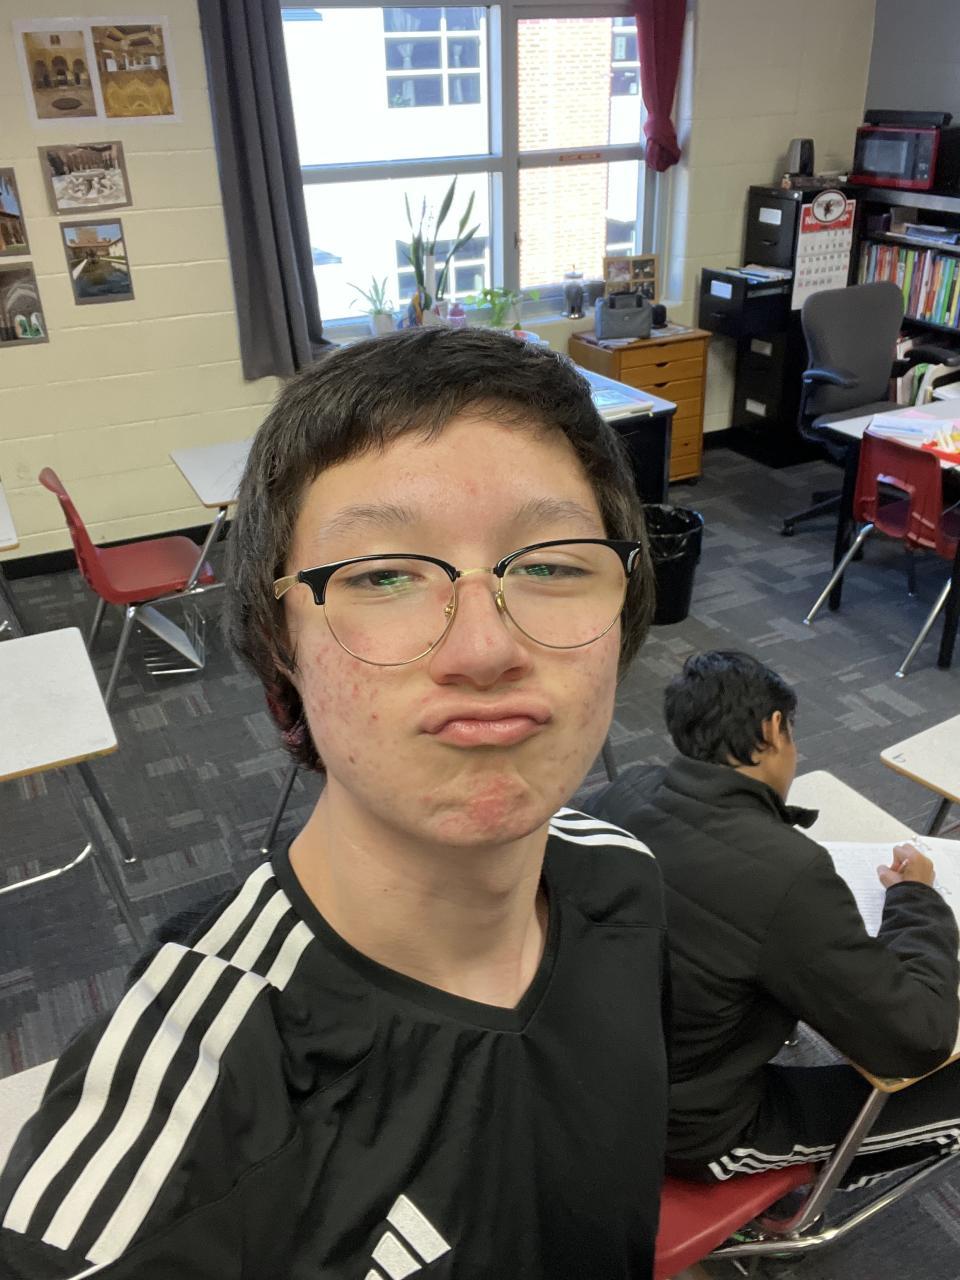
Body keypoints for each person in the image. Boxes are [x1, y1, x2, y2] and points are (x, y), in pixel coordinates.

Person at [0, 328, 669, 1279]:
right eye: (383, 575)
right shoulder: (169, 1154)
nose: (484, 649)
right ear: (281, 646)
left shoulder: (623, 880)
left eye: (551, 564)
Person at [585, 649, 960, 1187]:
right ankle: (803, 1195)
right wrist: (917, 898)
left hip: (593, 1073)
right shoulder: (788, 874)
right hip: (690, 1131)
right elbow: (917, 1040)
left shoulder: (624, 791)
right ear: (773, 728)